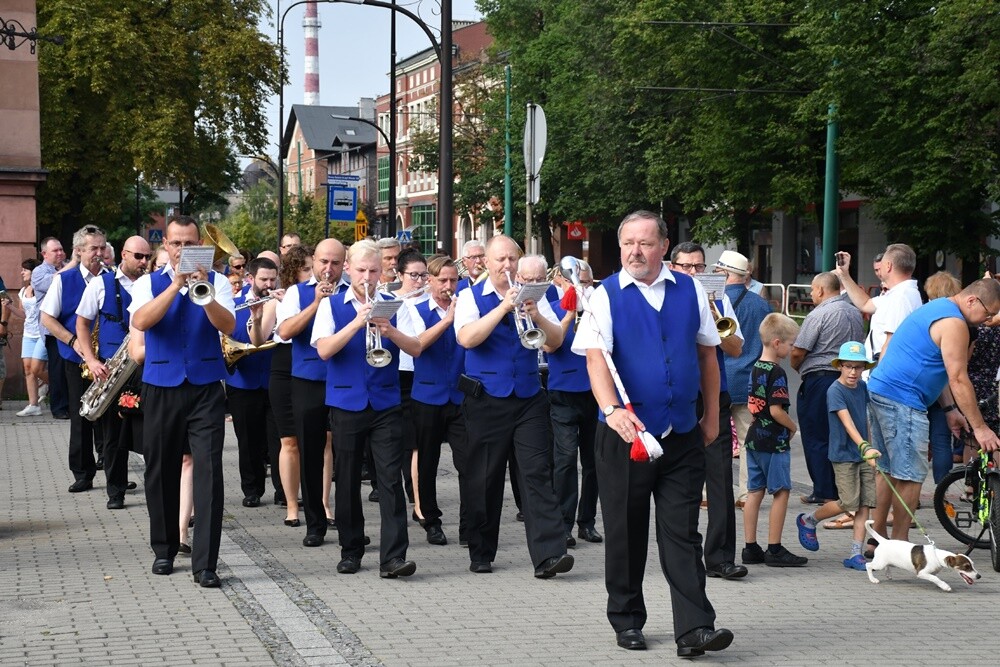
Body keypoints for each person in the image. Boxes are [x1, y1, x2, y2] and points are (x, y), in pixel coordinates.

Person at [572, 211, 730, 655]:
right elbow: (595, 359)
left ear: (663, 245)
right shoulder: (604, 295)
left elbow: (707, 357)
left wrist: (712, 418)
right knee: (625, 529)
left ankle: (695, 628)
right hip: (626, 436)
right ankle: (626, 619)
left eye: (644, 243)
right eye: (627, 243)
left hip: (681, 431)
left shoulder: (691, 290)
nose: (634, 252)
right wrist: (611, 409)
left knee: (682, 531)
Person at [455, 236, 571, 578]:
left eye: (512, 259)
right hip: (485, 399)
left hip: (527, 397)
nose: (507, 265)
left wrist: (535, 313)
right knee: (484, 478)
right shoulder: (469, 296)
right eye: (500, 259)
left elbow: (556, 341)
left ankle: (549, 554)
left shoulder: (536, 294)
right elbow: (466, 338)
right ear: (486, 263)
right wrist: (504, 307)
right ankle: (481, 551)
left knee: (537, 474)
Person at [130, 215, 236, 588]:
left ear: (202, 247)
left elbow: (229, 326)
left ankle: (206, 563)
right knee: (160, 469)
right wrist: (175, 286)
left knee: (209, 472)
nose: (183, 250)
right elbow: (142, 322)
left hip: (206, 386)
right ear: (166, 247)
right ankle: (164, 548)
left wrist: (203, 290)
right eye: (177, 244)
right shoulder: (148, 283)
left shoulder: (219, 281)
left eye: (191, 244)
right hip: (161, 383)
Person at [312, 239, 421, 578]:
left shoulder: (394, 303)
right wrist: (355, 324)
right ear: (348, 269)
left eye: (374, 271)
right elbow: (324, 351)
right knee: (345, 479)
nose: (368, 277)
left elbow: (416, 347)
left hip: (386, 402)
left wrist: (391, 331)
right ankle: (351, 548)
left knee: (390, 479)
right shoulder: (332, 305)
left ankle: (393, 558)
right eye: (361, 270)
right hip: (346, 401)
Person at [866, 279, 1000, 545]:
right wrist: (981, 427)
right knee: (912, 476)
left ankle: (877, 540)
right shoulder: (955, 324)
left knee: (888, 471)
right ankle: (901, 546)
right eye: (989, 312)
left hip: (882, 390)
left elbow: (931, 367)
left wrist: (950, 409)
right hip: (902, 400)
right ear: (972, 301)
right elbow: (958, 378)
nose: (988, 319)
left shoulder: (938, 307)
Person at [670, 242, 747, 580]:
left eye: (699, 267)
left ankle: (720, 558)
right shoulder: (667, 297)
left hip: (715, 393)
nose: (693, 273)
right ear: (673, 267)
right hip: (677, 394)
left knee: (720, 479)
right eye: (686, 267)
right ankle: (681, 553)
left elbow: (734, 347)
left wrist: (715, 313)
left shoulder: (720, 298)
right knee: (678, 480)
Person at [276, 239, 347, 547]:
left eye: (335, 263)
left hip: (344, 380)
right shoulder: (297, 292)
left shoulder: (353, 290)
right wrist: (316, 303)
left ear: (343, 264)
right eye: (323, 262)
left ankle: (347, 521)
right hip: (307, 380)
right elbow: (285, 331)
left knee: (347, 452)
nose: (328, 269)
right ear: (314, 262)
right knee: (310, 451)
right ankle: (315, 524)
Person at [75, 235, 151, 509]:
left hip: (147, 366)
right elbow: (82, 324)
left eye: (147, 257)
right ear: (123, 255)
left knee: (152, 431)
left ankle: (158, 486)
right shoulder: (100, 283)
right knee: (113, 436)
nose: (144, 262)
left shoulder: (152, 284)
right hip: (113, 368)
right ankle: (115, 491)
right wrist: (92, 360)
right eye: (138, 256)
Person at [795, 341, 881, 571]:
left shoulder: (862, 388)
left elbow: (864, 420)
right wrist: (864, 446)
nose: (853, 372)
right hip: (844, 454)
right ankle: (809, 520)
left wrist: (870, 446)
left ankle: (855, 553)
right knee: (848, 502)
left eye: (858, 367)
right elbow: (847, 422)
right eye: (849, 366)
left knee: (865, 504)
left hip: (863, 453)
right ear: (840, 366)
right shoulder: (834, 390)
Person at [40, 225, 108, 492]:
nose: (100, 253)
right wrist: (72, 341)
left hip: (107, 358)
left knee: (112, 416)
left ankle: (114, 468)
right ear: (79, 251)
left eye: (103, 247)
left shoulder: (111, 277)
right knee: (81, 416)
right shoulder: (63, 280)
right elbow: (47, 318)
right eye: (94, 248)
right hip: (75, 358)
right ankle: (83, 473)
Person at [790, 272, 864, 507]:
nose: (811, 294)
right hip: (849, 379)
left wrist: (797, 367)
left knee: (816, 435)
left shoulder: (819, 314)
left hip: (821, 380)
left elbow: (798, 351)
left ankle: (823, 489)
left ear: (821, 290)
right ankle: (846, 489)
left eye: (812, 290)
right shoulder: (854, 312)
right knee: (842, 435)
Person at [545, 259, 604, 548]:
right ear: (560, 282)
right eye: (573, 280)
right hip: (564, 391)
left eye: (584, 280)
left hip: (595, 393)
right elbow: (549, 345)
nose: (579, 285)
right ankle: (563, 522)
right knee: (565, 459)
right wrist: (569, 313)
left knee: (593, 461)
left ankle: (587, 521)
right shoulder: (553, 310)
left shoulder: (599, 310)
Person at [409, 256, 467, 546]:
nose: (448, 286)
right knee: (428, 462)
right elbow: (418, 343)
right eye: (442, 280)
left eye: (453, 280)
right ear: (429, 281)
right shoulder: (415, 308)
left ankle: (470, 524)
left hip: (460, 394)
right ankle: (430, 519)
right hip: (427, 395)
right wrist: (448, 321)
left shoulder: (466, 305)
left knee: (468, 461)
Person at [742, 312, 806, 568]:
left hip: (754, 438)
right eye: (791, 344)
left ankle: (750, 547)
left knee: (754, 491)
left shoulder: (756, 367)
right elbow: (776, 410)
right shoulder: (776, 372)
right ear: (777, 343)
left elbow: (754, 405)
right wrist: (793, 427)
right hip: (773, 442)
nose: (792, 349)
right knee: (781, 491)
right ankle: (775, 548)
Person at [257, 245, 309, 524]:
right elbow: (261, 336)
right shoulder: (279, 299)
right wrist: (260, 311)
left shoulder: (321, 297)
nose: (314, 275)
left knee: (322, 441)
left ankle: (322, 504)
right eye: (307, 270)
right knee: (288, 440)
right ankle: (291, 505)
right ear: (293, 272)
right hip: (284, 365)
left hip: (312, 366)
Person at [716, 250, 772, 509]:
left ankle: (709, 491)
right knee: (749, 440)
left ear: (724, 273)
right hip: (749, 379)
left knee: (714, 439)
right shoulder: (761, 305)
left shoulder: (713, 302)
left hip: (717, 379)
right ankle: (747, 493)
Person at [228, 257, 280, 510]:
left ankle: (283, 490)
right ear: (250, 279)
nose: (269, 284)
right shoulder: (234, 304)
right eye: (263, 279)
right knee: (248, 441)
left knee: (279, 439)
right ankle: (252, 489)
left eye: (273, 279)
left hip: (273, 380)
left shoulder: (281, 304)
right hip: (242, 381)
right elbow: (229, 337)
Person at [833, 245, 922, 368]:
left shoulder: (901, 297)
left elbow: (891, 343)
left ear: (888, 266)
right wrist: (844, 275)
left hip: (884, 367)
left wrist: (879, 380)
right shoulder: (899, 293)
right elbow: (866, 304)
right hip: (882, 364)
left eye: (882, 263)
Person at [391, 248, 431, 514]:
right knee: (400, 440)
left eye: (423, 275)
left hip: (422, 373)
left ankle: (418, 502)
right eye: (413, 276)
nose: (419, 281)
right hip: (396, 373)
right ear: (399, 274)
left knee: (416, 441)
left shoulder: (429, 299)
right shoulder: (389, 299)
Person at [923, 271, 964, 483]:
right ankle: (942, 490)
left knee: (917, 443)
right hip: (947, 387)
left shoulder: (922, 315)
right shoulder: (960, 322)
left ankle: (912, 494)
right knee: (941, 441)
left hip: (922, 387)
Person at [32, 236, 69, 418]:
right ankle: (58, 408)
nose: (60, 253)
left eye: (61, 249)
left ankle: (70, 404)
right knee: (57, 369)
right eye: (56, 251)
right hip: (52, 330)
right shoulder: (39, 272)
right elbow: (56, 280)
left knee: (69, 368)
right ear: (44, 254)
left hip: (70, 327)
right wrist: (74, 264)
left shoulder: (67, 267)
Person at [10, 259, 48, 416]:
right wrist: (9, 307)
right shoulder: (22, 291)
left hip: (42, 332)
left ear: (34, 272)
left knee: (36, 368)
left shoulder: (42, 288)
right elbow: (24, 315)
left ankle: (55, 383)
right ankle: (33, 405)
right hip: (28, 334)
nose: (22, 272)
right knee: (27, 369)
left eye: (25, 270)